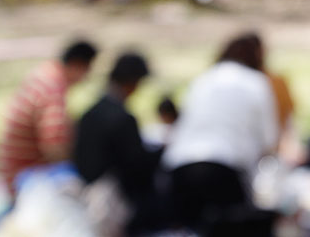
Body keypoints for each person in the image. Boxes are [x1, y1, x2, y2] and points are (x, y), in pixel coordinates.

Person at [163, 33, 278, 236]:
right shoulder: (257, 82)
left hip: (179, 167)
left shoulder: (204, 79)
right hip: (225, 169)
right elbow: (269, 140)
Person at [73, 52, 167, 236]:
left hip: (86, 196)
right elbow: (137, 165)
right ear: (133, 82)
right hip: (113, 204)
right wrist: (162, 151)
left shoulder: (89, 114)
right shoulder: (123, 118)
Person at [0, 39, 98, 193]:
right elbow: (54, 148)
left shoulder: (44, 72)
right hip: (23, 176)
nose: (85, 78)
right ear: (78, 65)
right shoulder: (53, 89)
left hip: (10, 169)